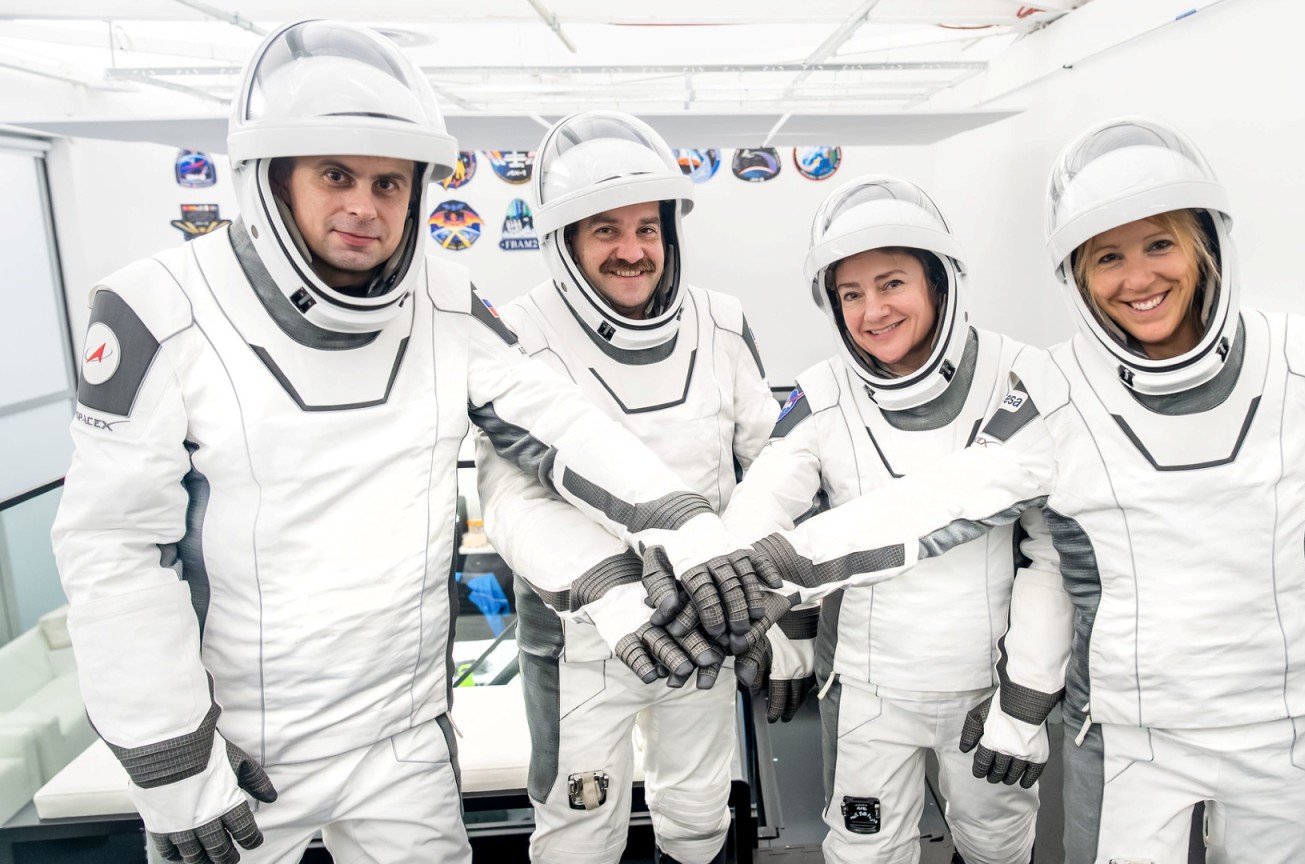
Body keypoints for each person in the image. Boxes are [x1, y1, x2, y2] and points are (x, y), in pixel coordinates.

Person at [51, 23, 759, 864]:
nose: (365, 205)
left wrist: (688, 527)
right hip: (240, 750)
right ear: (269, 177)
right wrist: (168, 750)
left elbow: (557, 423)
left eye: (389, 182)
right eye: (336, 175)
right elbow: (114, 549)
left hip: (405, 736)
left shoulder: (445, 303)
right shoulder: (160, 310)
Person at [727, 117, 1305, 863]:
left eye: (1159, 244)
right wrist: (755, 568)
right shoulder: (1057, 387)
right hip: (1127, 736)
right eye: (1108, 257)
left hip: (1283, 729)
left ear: (1206, 243)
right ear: (1078, 275)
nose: (1137, 279)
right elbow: (940, 500)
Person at [720, 175, 1070, 864]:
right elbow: (765, 511)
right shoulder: (823, 392)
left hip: (984, 686)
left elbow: (1052, 555)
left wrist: (1027, 692)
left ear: (939, 282)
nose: (872, 311)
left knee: (997, 849)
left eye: (892, 284)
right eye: (851, 294)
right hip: (867, 689)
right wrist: (777, 627)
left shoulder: (1024, 376)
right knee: (864, 852)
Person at [472, 111, 781, 864]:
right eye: (606, 229)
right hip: (579, 641)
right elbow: (510, 500)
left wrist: (772, 604)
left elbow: (769, 462)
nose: (633, 250)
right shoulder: (516, 334)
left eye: (648, 228)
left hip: (704, 626)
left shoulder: (722, 322)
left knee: (701, 815)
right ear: (563, 239)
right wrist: (611, 591)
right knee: (577, 830)